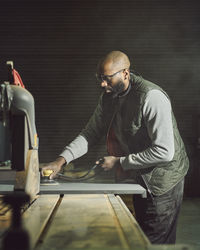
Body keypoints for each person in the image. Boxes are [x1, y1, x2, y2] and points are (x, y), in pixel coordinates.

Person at [42, 51, 189, 244]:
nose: (102, 84)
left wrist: (120, 162)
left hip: (163, 181)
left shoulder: (151, 97)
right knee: (141, 237)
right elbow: (90, 133)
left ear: (125, 74)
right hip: (140, 176)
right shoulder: (109, 97)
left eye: (107, 79)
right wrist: (60, 161)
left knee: (154, 242)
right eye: (100, 79)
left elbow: (164, 151)